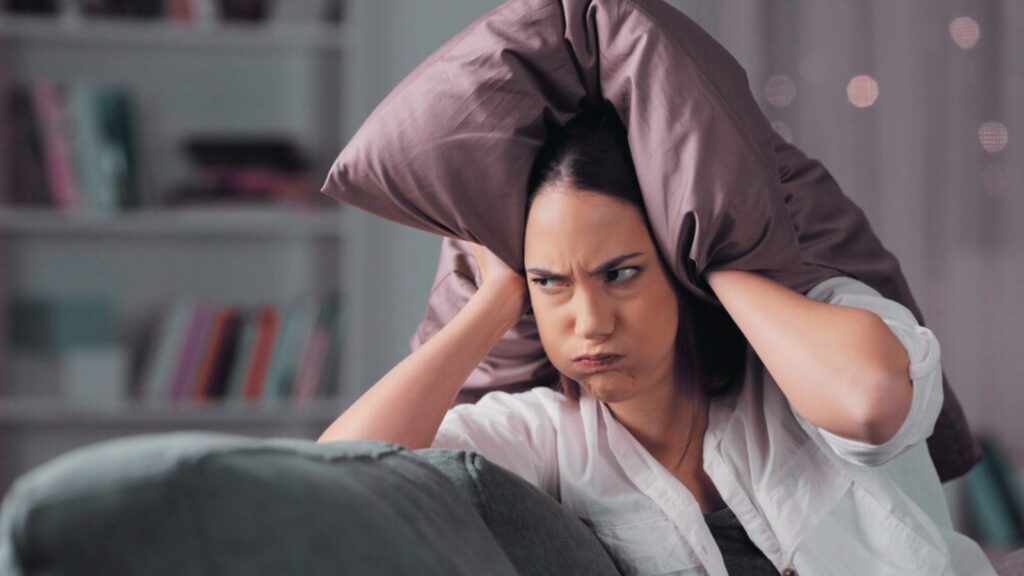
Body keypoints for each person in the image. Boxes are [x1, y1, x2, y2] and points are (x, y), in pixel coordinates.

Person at [317, 104, 996, 576]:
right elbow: (340, 484)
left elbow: (874, 404)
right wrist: (495, 300)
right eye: (552, 283)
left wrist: (713, 255)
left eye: (621, 273)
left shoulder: (814, 330)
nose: (589, 322)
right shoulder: (544, 434)